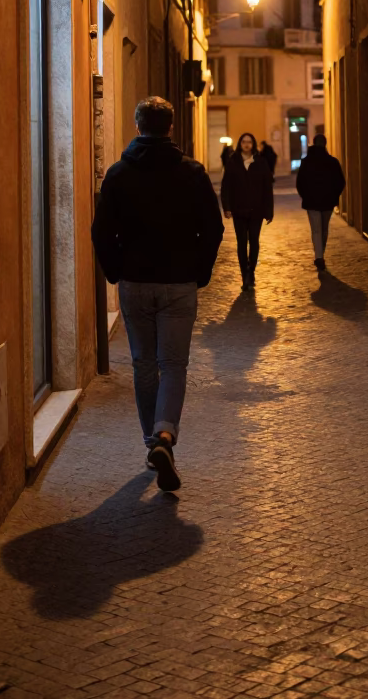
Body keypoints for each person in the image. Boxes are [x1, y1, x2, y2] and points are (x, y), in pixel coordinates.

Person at [91, 96, 224, 492]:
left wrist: (115, 271)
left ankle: (153, 443)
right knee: (174, 365)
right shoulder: (193, 173)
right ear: (170, 127)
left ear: (137, 127)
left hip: (135, 283)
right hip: (179, 283)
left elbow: (101, 232)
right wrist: (199, 271)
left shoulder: (117, 175)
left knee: (144, 366)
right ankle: (164, 437)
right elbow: (213, 228)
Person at [220, 132, 273, 289]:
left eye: (249, 141)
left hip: (256, 210)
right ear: (240, 144)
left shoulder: (261, 162)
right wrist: (227, 207)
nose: (247, 144)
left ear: (253, 144)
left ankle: (252, 270)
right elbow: (226, 187)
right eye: (244, 141)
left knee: (254, 241)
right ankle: (245, 274)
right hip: (239, 209)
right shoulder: (233, 162)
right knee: (242, 243)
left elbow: (267, 188)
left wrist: (269, 211)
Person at [296, 134, 346, 271]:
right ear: (325, 144)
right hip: (328, 202)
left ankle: (319, 256)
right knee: (324, 229)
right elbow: (341, 182)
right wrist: (334, 196)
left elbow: (300, 183)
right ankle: (320, 254)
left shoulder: (306, 162)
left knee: (316, 230)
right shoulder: (333, 162)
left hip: (311, 202)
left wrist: (305, 196)